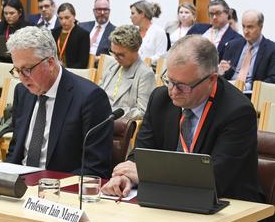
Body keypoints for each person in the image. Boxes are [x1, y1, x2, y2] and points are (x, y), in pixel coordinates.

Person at [101, 35, 266, 208]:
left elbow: (214, 179)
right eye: (169, 80)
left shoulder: (238, 112)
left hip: (229, 205)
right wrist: (125, 177)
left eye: (182, 86)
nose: (172, 91)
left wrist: (146, 174)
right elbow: (142, 153)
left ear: (211, 80)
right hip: (169, 200)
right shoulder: (160, 99)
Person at [5, 26, 113, 177]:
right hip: (19, 185)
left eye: (27, 69)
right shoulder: (22, 92)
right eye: (17, 70)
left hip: (59, 190)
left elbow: (95, 168)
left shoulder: (89, 98)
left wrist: (49, 186)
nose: (22, 77)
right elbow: (15, 149)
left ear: (49, 63)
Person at [98, 25, 155, 120]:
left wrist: (110, 112)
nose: (115, 57)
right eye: (113, 52)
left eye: (120, 54)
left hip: (116, 123)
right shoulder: (112, 65)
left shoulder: (145, 74)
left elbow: (142, 112)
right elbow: (98, 94)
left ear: (135, 50)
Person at [219, 10, 275, 90]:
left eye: (250, 27)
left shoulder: (271, 49)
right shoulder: (232, 45)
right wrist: (221, 71)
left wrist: (248, 87)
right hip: (229, 89)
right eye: (243, 26)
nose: (245, 31)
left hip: (252, 93)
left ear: (260, 27)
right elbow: (224, 75)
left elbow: (272, 79)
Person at [50, 3, 90, 68]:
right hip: (55, 69)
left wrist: (67, 69)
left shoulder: (82, 34)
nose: (63, 21)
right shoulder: (54, 32)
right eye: (60, 18)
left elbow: (83, 63)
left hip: (72, 71)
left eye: (67, 18)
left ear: (74, 16)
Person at [130, 0, 167, 65]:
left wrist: (145, 61)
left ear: (142, 14)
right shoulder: (133, 31)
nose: (130, 17)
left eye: (133, 13)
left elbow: (161, 56)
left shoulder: (159, 32)